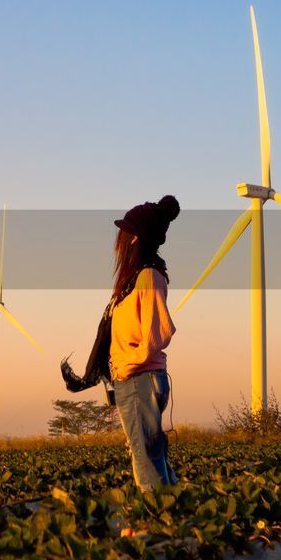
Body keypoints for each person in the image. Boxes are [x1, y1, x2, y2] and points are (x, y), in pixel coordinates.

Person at [110, 196, 179, 490]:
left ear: (135, 238)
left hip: (140, 379)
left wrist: (127, 364)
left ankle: (156, 527)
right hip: (137, 379)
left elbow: (159, 333)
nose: (119, 239)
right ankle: (171, 520)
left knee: (146, 463)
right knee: (151, 455)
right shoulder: (137, 278)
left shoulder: (148, 276)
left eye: (124, 233)